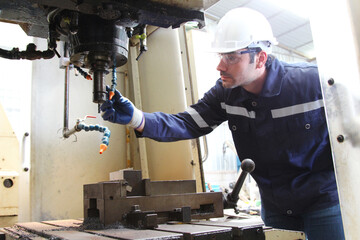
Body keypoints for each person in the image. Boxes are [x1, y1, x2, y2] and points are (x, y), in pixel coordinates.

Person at [100, 7, 345, 240]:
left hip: (324, 205)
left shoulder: (314, 84)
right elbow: (187, 123)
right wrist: (136, 118)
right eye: (221, 56)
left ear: (259, 58)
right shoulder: (226, 94)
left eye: (231, 57)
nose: (220, 66)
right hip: (275, 207)